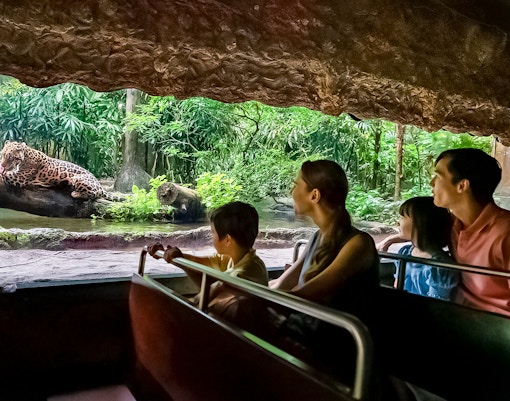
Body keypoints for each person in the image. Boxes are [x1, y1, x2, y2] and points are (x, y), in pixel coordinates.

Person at [148, 201, 268, 316]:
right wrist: (167, 254)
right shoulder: (231, 258)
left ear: (227, 240)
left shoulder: (248, 271)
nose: (212, 237)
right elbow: (197, 263)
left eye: (213, 233)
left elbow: (211, 290)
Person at [430, 148, 510, 316]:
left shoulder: (505, 233)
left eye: (438, 176)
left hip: (496, 329)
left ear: (462, 185)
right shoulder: (453, 225)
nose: (432, 183)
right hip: (458, 317)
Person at [388, 196, 459, 301]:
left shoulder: (439, 266)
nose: (398, 222)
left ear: (421, 223)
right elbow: (397, 286)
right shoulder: (404, 252)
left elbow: (436, 306)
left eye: (403, 217)